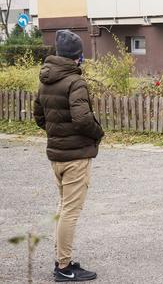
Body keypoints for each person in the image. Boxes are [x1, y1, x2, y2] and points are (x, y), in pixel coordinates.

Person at [34, 29, 104, 282]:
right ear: (77, 56)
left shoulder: (45, 79)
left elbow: (39, 117)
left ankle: (62, 259)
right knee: (70, 212)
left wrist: (56, 134)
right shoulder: (75, 81)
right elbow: (83, 119)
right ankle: (63, 267)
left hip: (57, 155)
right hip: (75, 156)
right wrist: (98, 134)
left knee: (63, 208)